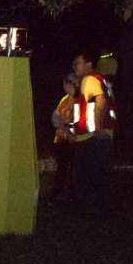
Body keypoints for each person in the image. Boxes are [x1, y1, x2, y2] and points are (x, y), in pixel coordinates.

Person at [71, 49, 115, 215]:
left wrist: (96, 128)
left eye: (78, 63)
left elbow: (100, 101)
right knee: (97, 173)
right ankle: (99, 208)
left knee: (87, 174)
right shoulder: (102, 80)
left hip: (92, 136)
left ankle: (88, 210)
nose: (75, 66)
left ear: (89, 64)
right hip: (102, 134)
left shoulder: (89, 80)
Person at [48, 73, 79, 204]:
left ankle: (72, 195)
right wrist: (61, 126)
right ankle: (57, 194)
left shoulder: (79, 100)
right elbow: (55, 117)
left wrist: (68, 130)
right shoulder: (64, 100)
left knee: (73, 169)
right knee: (62, 168)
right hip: (62, 140)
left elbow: (78, 121)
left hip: (74, 140)